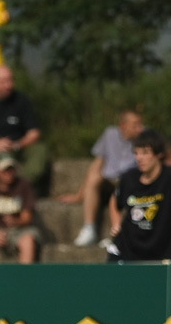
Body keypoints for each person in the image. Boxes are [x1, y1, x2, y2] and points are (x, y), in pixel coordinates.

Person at [59, 110, 143, 247]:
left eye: (140, 124)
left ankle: (119, 234)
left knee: (127, 186)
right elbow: (96, 165)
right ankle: (89, 228)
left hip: (130, 185)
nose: (140, 128)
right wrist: (79, 195)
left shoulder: (144, 138)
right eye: (135, 125)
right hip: (110, 184)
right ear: (122, 125)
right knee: (94, 177)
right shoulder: (110, 134)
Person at [107, 129, 171, 262]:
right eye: (136, 153)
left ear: (159, 154)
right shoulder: (129, 178)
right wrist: (116, 224)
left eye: (145, 153)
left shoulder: (168, 178)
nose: (139, 158)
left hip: (161, 249)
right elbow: (115, 199)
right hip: (128, 248)